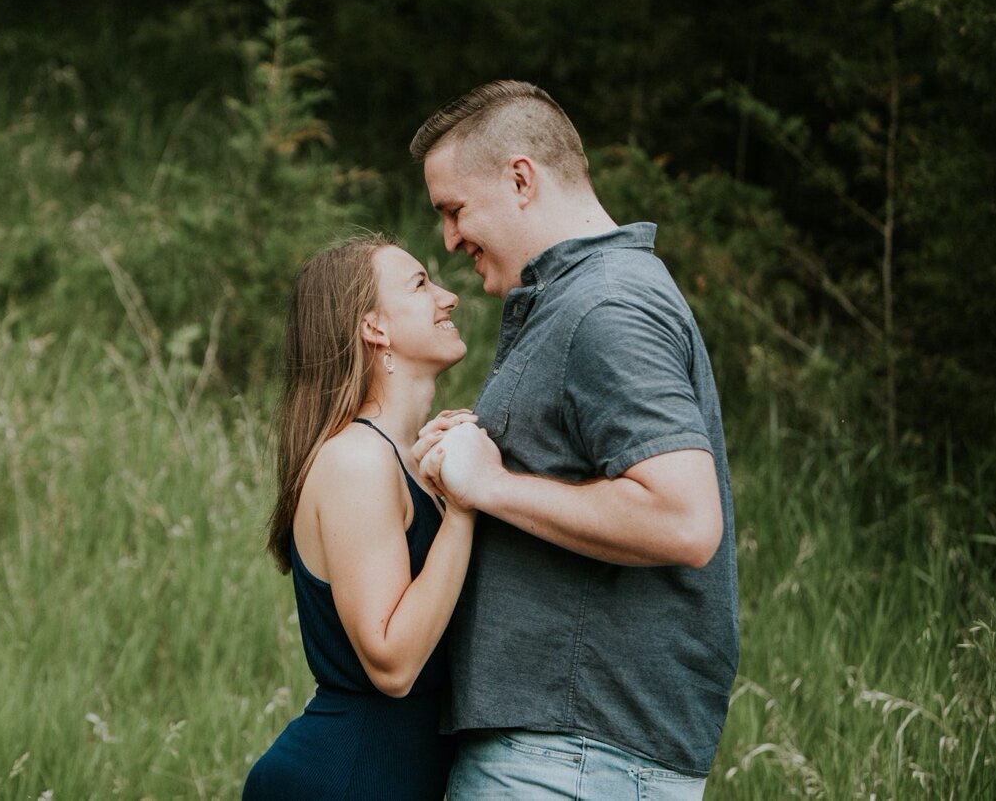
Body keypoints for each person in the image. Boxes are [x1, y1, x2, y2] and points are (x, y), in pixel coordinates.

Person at [409, 80, 739, 799]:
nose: (449, 239)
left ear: (520, 178)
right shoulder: (578, 300)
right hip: (573, 755)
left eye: (454, 210)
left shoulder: (605, 306)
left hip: (571, 762)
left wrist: (491, 484)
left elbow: (684, 520)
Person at [244, 233, 478, 800]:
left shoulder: (409, 458)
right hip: (344, 777)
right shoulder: (356, 460)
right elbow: (392, 664)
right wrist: (465, 512)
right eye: (421, 284)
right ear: (374, 328)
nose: (447, 297)